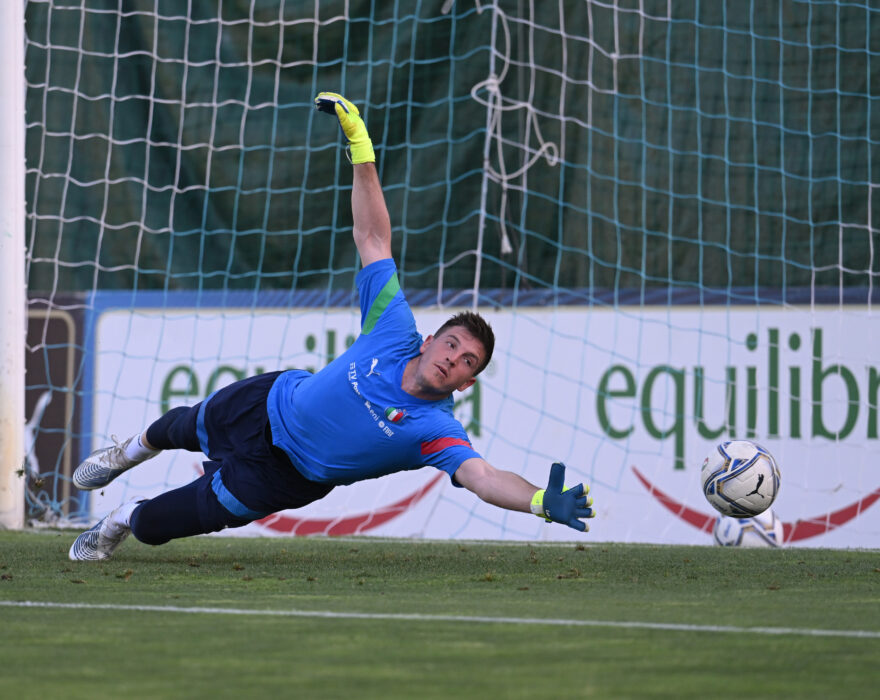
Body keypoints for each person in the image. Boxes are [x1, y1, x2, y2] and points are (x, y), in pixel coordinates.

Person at [69, 92, 594, 561]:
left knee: (157, 525)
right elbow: (373, 239)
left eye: (466, 362)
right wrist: (361, 148)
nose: (452, 359)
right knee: (179, 427)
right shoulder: (394, 329)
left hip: (282, 478)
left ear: (466, 383)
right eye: (451, 344)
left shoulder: (434, 431)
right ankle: (127, 452)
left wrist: (539, 501)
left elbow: (483, 477)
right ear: (431, 340)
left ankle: (118, 519)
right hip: (268, 402)